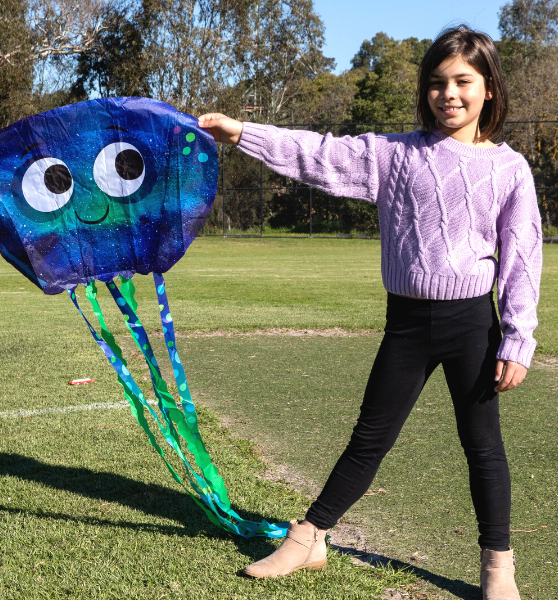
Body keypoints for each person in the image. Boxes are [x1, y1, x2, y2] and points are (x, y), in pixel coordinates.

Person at [198, 24, 542, 600]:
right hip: (406, 324)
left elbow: (523, 259)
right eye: (436, 83)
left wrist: (517, 338)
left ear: (489, 89)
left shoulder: (508, 169)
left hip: (472, 328)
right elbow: (319, 154)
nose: (448, 94)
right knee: (370, 437)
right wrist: (240, 133)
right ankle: (310, 539)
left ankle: (498, 567)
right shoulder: (394, 155)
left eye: (463, 81)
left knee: (482, 444)